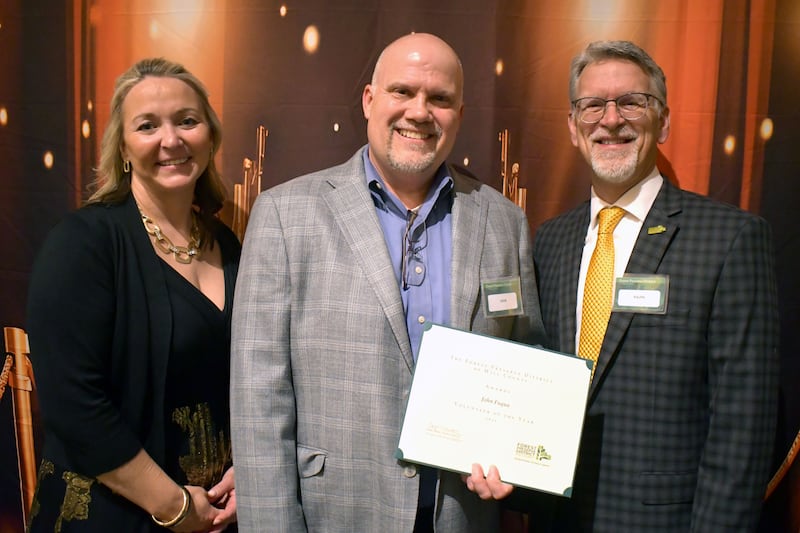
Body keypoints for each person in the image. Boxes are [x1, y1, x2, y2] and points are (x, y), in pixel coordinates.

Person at [230, 32, 546, 532]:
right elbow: (258, 400)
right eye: (402, 91)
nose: (419, 112)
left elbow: (525, 360)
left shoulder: (503, 221)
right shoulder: (286, 214)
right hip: (333, 513)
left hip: (460, 514)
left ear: (460, 115)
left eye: (440, 99)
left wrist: (513, 456)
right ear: (369, 100)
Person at [530, 40, 780, 531]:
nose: (611, 119)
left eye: (631, 102)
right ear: (573, 128)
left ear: (662, 121)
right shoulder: (550, 239)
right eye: (592, 106)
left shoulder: (730, 239)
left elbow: (743, 429)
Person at [25, 57, 239, 532]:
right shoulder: (83, 243)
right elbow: (74, 405)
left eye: (188, 120)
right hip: (112, 516)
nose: (172, 140)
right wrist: (174, 507)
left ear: (210, 134)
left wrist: (245, 478)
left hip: (217, 518)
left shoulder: (228, 245)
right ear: (122, 147)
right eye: (148, 126)